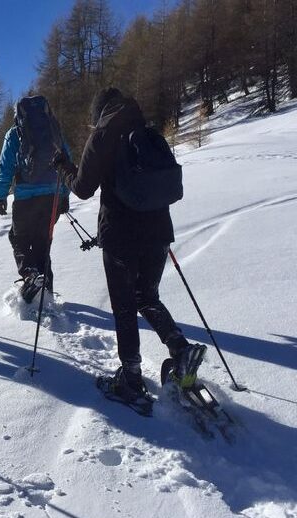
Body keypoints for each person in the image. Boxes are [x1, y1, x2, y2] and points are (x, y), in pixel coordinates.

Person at [53, 87, 205, 403]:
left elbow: (82, 188)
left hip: (121, 234)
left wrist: (63, 167)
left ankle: (131, 379)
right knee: (147, 296)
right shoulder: (147, 131)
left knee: (124, 306)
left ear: (99, 114)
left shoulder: (104, 135)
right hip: (159, 232)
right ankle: (180, 348)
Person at [0, 95, 71, 303]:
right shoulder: (53, 130)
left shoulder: (14, 135)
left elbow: (5, 167)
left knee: (18, 239)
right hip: (51, 196)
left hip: (25, 198)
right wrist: (64, 194)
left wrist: (1, 196)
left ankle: (30, 275)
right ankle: (46, 297)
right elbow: (67, 161)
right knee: (42, 246)